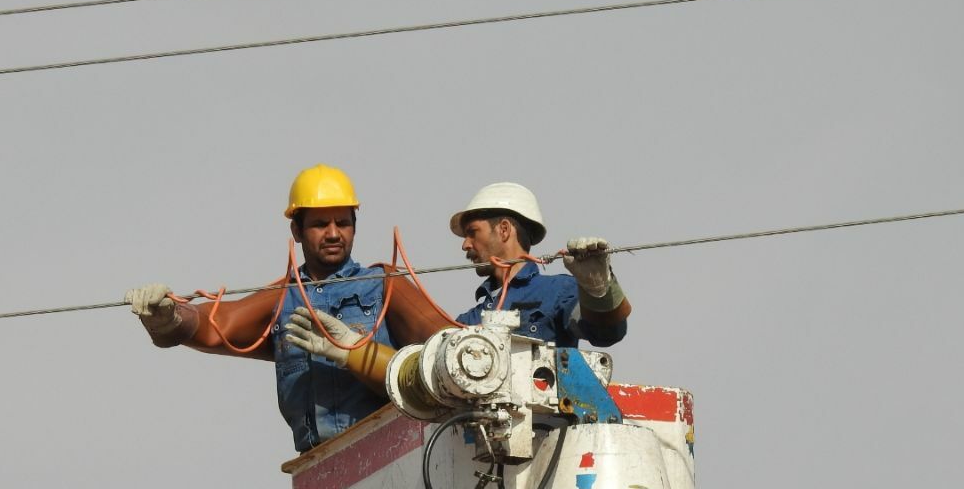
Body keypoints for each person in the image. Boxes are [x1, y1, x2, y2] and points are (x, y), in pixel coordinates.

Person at [125, 164, 395, 453]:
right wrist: (169, 317)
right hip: (316, 465)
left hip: (388, 449)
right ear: (297, 230)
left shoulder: (384, 286)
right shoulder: (282, 298)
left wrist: (354, 353)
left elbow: (442, 349)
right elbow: (215, 326)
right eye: (319, 224)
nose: (332, 233)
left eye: (342, 223)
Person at [387, 182, 631, 348]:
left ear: (504, 230)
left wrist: (598, 289)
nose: (465, 245)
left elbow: (606, 334)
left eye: (472, 233)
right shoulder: (470, 319)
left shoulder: (557, 291)